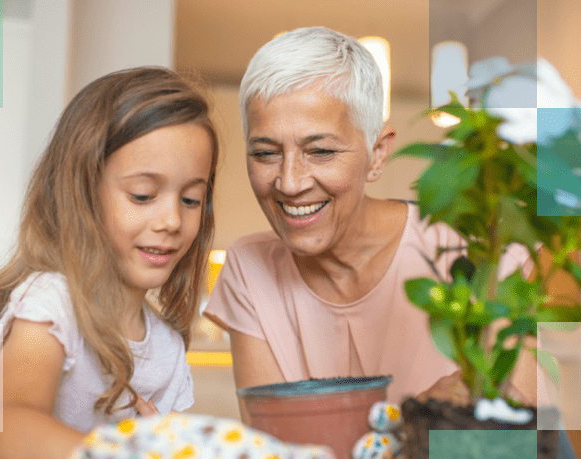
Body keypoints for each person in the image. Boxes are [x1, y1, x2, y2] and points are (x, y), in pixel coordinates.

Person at [204, 27, 537, 424]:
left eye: (321, 151)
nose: (290, 182)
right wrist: (416, 423)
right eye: (265, 153)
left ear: (377, 154)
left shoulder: (477, 247)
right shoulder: (249, 268)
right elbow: (278, 456)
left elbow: (518, 455)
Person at [0, 67, 218, 459]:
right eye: (143, 196)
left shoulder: (167, 350)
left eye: (191, 199)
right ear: (82, 194)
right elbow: (8, 436)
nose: (171, 221)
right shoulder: (51, 303)